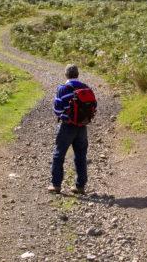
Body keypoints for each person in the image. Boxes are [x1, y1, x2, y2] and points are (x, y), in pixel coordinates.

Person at [48, 64, 97, 195]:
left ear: (66, 75)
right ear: (77, 74)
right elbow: (94, 106)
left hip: (67, 126)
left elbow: (57, 109)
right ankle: (80, 186)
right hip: (82, 127)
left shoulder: (62, 89)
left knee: (59, 155)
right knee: (81, 156)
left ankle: (56, 185)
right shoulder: (86, 88)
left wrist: (66, 116)